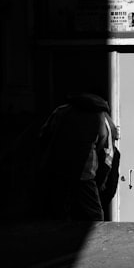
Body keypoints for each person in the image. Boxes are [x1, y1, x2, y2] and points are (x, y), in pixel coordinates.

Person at [36, 92, 120, 221]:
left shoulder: (61, 110)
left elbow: (44, 135)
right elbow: (108, 153)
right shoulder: (102, 118)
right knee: (94, 216)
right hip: (84, 171)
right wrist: (102, 181)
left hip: (56, 166)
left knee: (57, 210)